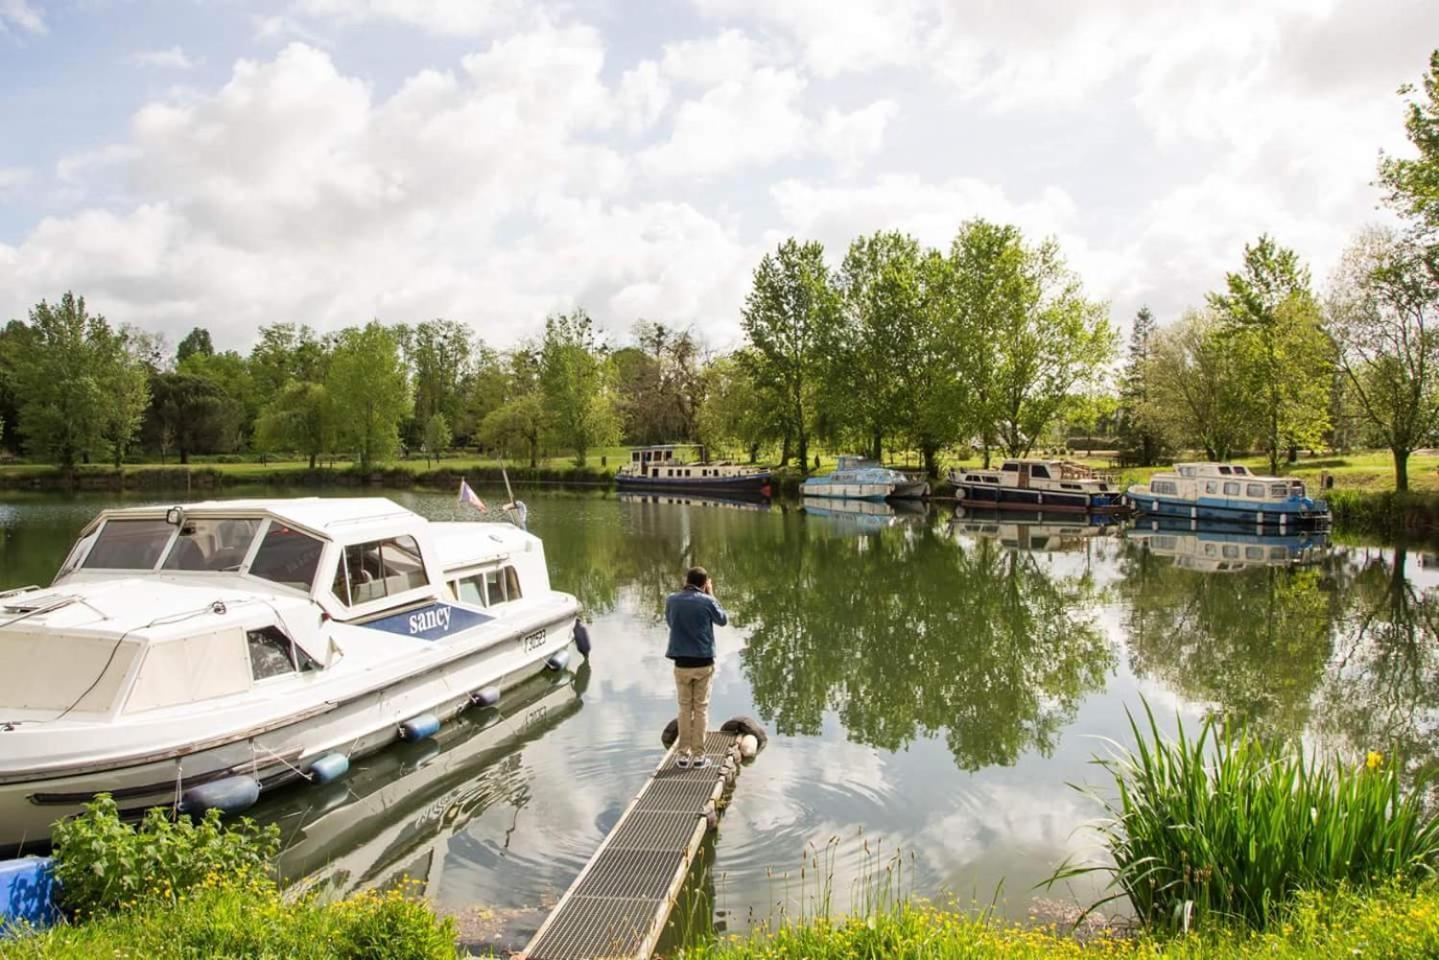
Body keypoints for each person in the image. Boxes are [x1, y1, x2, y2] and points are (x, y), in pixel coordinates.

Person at [665, 565, 727, 769]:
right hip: (703, 662)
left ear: (686, 581)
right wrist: (712, 594)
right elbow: (722, 620)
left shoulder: (672, 600)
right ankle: (699, 757)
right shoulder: (707, 601)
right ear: (703, 584)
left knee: (684, 708)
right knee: (700, 709)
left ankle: (682, 756)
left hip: (681, 662)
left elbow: (671, 622)